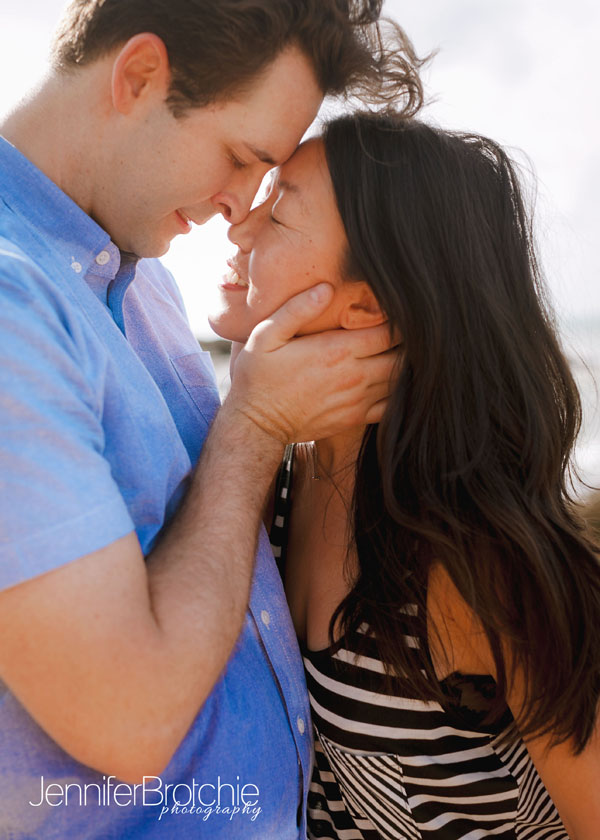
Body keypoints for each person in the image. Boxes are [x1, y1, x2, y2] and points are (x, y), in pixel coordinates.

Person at [0, 2, 425, 837]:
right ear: (139, 76)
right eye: (240, 158)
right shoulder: (15, 305)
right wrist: (256, 426)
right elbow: (128, 720)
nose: (239, 207)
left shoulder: (142, 276)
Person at [209, 113, 600, 839]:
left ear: (369, 304)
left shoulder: (467, 560)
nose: (240, 226)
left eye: (282, 209)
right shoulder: (276, 475)